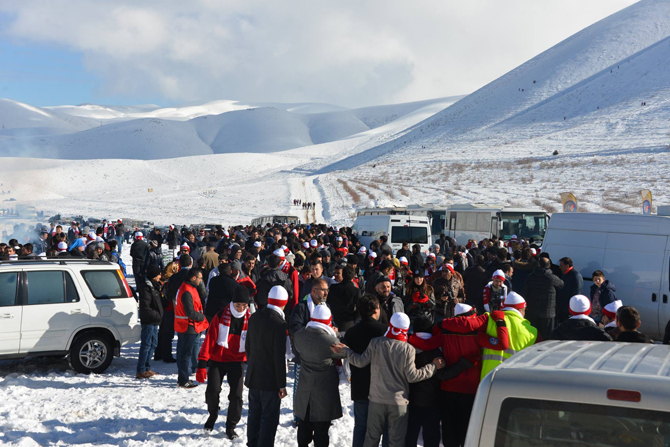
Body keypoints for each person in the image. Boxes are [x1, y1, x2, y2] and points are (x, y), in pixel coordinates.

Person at [332, 312, 446, 447]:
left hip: (376, 400)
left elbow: (360, 361)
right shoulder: (408, 349)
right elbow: (412, 376)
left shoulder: (376, 343)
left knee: (371, 439)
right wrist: (433, 367)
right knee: (396, 442)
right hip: (398, 403)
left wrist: (346, 351)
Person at [410, 303, 508, 447]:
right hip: (470, 390)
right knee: (466, 431)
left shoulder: (445, 331)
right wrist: (500, 322)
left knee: (449, 432)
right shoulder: (477, 334)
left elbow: (426, 344)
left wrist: (410, 339)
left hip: (448, 389)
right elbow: (502, 343)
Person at [406, 316, 473, 447]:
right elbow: (444, 375)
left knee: (409, 437)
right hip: (433, 402)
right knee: (431, 439)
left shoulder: (408, 348)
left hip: (411, 401)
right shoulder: (436, 350)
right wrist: (463, 363)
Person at [196, 287, 251, 438]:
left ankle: (231, 425)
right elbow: (209, 340)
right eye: (238, 305)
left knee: (237, 396)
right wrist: (202, 363)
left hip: (237, 361)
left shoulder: (250, 319)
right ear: (232, 303)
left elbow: (254, 344)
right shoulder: (221, 316)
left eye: (244, 306)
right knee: (212, 391)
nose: (241, 308)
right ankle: (213, 414)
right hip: (218, 360)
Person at [245, 286, 291, 447]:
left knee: (254, 416)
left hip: (254, 375)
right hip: (270, 380)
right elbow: (279, 357)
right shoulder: (279, 324)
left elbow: (248, 348)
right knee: (268, 420)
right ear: (284, 303)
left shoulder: (254, 317)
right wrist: (281, 384)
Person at [293, 305, 345, 447]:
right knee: (321, 432)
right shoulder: (331, 342)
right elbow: (344, 352)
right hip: (324, 394)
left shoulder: (299, 336)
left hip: (305, 392)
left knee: (303, 428)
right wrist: (336, 335)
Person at [344, 294, 388, 447]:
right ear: (376, 310)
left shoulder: (351, 332)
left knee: (361, 427)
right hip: (381, 387)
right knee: (382, 429)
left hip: (359, 385)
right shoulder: (385, 331)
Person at [174, 268, 209, 388]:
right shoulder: (187, 290)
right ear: (193, 278)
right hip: (188, 326)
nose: (201, 281)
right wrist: (202, 317)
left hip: (187, 326)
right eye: (200, 278)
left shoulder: (188, 288)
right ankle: (183, 380)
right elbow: (190, 312)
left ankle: (183, 378)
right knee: (185, 354)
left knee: (183, 354)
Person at [522, 256, 563, 340]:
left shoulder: (531, 277)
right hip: (548, 312)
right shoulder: (552, 278)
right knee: (546, 338)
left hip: (533, 311)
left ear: (539, 264)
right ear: (549, 265)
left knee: (532, 335)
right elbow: (562, 285)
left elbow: (524, 292)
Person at [136, 265, 164, 379]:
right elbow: (146, 307)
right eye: (158, 274)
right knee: (146, 344)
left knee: (153, 344)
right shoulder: (146, 287)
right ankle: (141, 369)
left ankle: (147, 367)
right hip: (149, 320)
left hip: (155, 320)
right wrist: (157, 315)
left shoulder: (154, 285)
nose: (160, 276)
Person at [328, 265, 360, 331]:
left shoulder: (333, 288)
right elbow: (359, 308)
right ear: (353, 276)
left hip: (334, 320)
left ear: (342, 274)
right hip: (348, 321)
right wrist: (354, 318)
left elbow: (328, 302)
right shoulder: (356, 291)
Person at [556, 257, 584, 324]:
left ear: (567, 266)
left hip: (568, 309)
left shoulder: (576, 276)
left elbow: (577, 293)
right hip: (562, 308)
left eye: (561, 265)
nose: (560, 267)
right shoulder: (565, 274)